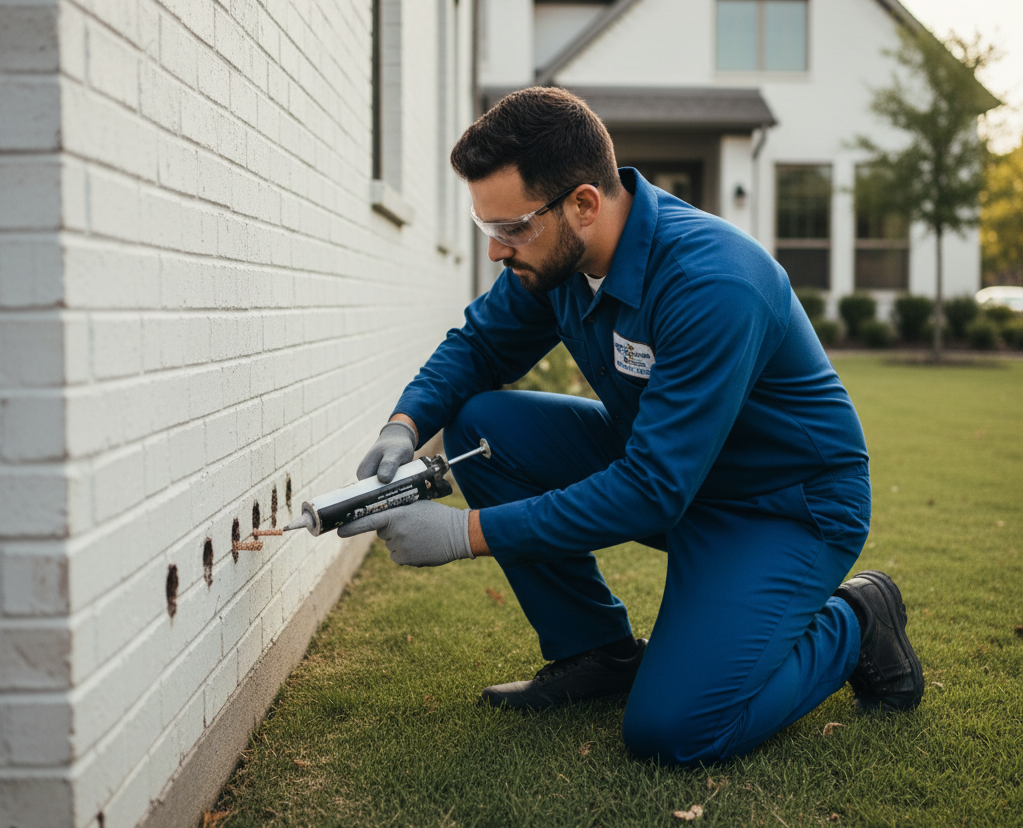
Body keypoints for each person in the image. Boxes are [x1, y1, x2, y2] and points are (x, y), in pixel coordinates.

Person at [338, 87, 923, 765]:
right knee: (481, 428)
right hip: (672, 468)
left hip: (783, 506)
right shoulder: (555, 259)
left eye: (511, 229)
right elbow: (479, 346)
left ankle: (857, 619)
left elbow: (652, 488)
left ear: (584, 203)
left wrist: (464, 533)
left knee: (674, 729)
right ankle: (596, 651)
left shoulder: (713, 283)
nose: (498, 252)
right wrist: (404, 426)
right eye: (486, 230)